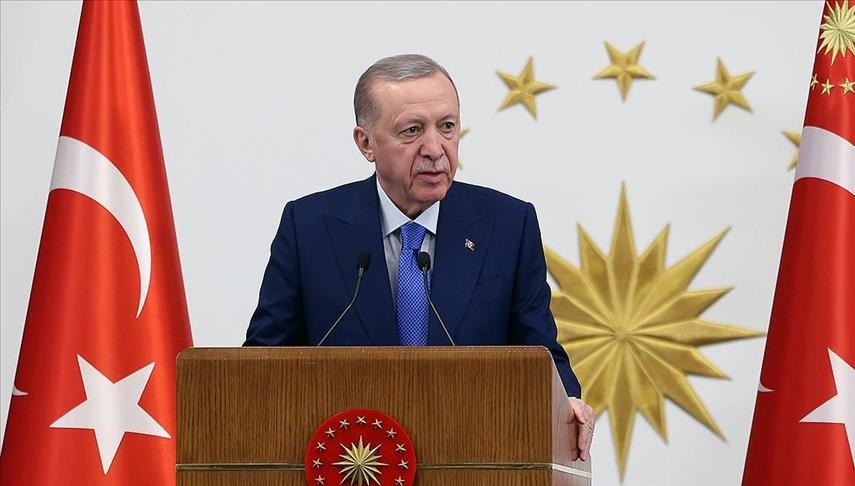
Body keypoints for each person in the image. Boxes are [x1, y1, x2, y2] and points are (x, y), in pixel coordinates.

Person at [244, 53, 595, 461]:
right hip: (349, 463)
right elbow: (262, 364)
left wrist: (568, 400)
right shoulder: (309, 227)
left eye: (447, 127)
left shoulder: (508, 225)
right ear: (366, 143)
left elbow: (540, 354)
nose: (435, 149)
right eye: (412, 131)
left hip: (473, 459)